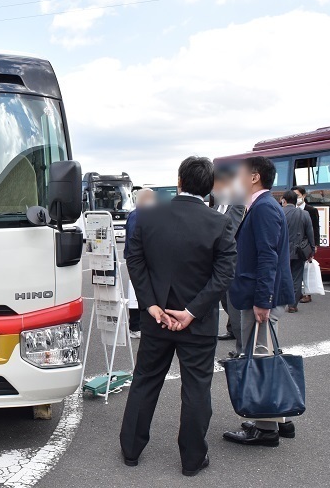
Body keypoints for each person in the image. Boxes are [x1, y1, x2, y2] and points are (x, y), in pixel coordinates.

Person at [120, 156, 237, 477]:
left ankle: (131, 449)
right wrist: (191, 311)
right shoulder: (218, 222)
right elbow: (224, 274)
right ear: (210, 186)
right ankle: (192, 459)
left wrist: (152, 305)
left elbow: (135, 260)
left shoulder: (147, 216)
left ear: (180, 181)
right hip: (197, 321)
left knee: (145, 380)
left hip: (155, 317)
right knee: (196, 387)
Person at [224, 156, 295, 447]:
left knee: (260, 358)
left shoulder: (264, 208)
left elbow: (268, 256)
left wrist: (263, 299)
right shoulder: (263, 206)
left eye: (240, 174)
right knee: (263, 354)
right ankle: (281, 419)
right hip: (257, 294)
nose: (236, 179)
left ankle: (265, 429)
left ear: (254, 177)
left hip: (259, 296)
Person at [211, 169, 246, 354]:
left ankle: (242, 345)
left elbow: (229, 232)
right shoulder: (217, 205)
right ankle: (232, 330)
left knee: (234, 304)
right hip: (219, 263)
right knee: (225, 300)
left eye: (217, 184)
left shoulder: (238, 204)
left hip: (233, 262)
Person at [124, 188, 156, 340]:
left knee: (139, 293)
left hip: (138, 260)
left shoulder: (137, 214)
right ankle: (135, 326)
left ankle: (138, 325)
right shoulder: (138, 215)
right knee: (138, 294)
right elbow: (133, 241)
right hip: (139, 261)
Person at [281, 190, 315, 313]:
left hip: (281, 251)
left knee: (282, 276)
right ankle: (292, 305)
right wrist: (312, 250)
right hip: (299, 251)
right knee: (296, 277)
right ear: (296, 201)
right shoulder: (304, 214)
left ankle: (280, 301)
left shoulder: (279, 212)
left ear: (284, 200)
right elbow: (310, 233)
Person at [291, 186, 320, 303]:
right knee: (296, 271)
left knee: (306, 269)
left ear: (304, 196)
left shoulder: (311, 210)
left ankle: (308, 294)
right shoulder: (291, 209)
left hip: (306, 244)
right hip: (293, 245)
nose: (296, 198)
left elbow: (315, 229)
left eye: (298, 196)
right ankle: (297, 294)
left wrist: (315, 245)